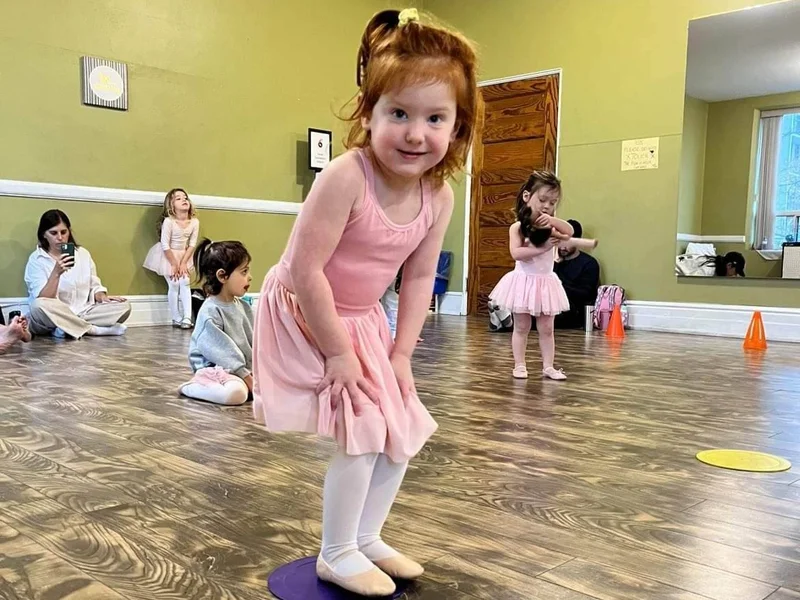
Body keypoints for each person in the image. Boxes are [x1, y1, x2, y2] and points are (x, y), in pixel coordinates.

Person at [251, 8, 480, 596]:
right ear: (368, 114)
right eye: (397, 113)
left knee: (401, 425)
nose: (414, 132)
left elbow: (419, 277)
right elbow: (305, 270)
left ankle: (366, 536)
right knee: (365, 428)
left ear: (457, 129)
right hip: (307, 310)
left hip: (362, 319)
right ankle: (336, 552)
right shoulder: (346, 177)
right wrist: (336, 354)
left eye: (435, 118)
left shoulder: (440, 196)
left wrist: (402, 355)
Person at [489, 171, 573, 381]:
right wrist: (542, 248)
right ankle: (519, 364)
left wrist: (553, 220)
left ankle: (548, 366)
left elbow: (570, 231)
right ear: (527, 196)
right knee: (522, 326)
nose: (547, 205)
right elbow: (517, 253)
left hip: (546, 283)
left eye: (553, 202)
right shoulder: (517, 227)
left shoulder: (551, 225)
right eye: (543, 200)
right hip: (524, 282)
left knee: (547, 328)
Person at [24, 210, 131, 339]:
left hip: (83, 311)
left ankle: (67, 327)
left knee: (124, 306)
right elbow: (44, 298)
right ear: (44, 235)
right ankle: (92, 330)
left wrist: (101, 296)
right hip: (52, 313)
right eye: (53, 233)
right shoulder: (37, 259)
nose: (60, 237)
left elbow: (94, 284)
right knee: (38, 305)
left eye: (64, 232)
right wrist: (56, 273)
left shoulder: (83, 254)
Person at [179, 239, 254, 406]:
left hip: (240, 371)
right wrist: (248, 378)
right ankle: (193, 387)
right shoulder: (210, 311)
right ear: (222, 276)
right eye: (244, 272)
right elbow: (223, 352)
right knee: (236, 394)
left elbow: (255, 343)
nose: (250, 277)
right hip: (216, 370)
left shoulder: (244, 307)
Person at [143, 188, 200, 329]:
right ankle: (176, 316)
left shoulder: (194, 222)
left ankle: (187, 316)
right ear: (171, 205)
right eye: (179, 198)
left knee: (185, 282)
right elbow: (164, 244)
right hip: (168, 256)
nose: (184, 200)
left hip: (184, 255)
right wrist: (174, 264)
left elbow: (192, 244)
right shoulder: (169, 221)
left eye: (185, 197)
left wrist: (183, 263)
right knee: (174, 284)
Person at [554, 219, 600, 329]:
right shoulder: (553, 262)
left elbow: (585, 294)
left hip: (574, 311)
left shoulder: (589, 263)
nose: (563, 247)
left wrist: (559, 285)